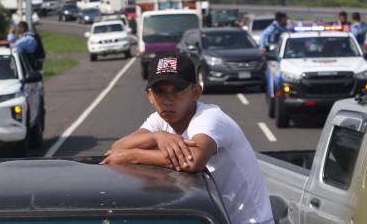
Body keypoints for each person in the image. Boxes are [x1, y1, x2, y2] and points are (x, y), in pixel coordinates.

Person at [101, 55, 274, 224]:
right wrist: (156, 136)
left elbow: (192, 160)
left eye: (177, 91)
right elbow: (118, 148)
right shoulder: (159, 120)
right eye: (160, 92)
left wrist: (133, 157)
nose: (168, 100)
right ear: (149, 95)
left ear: (195, 92)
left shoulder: (209, 117)